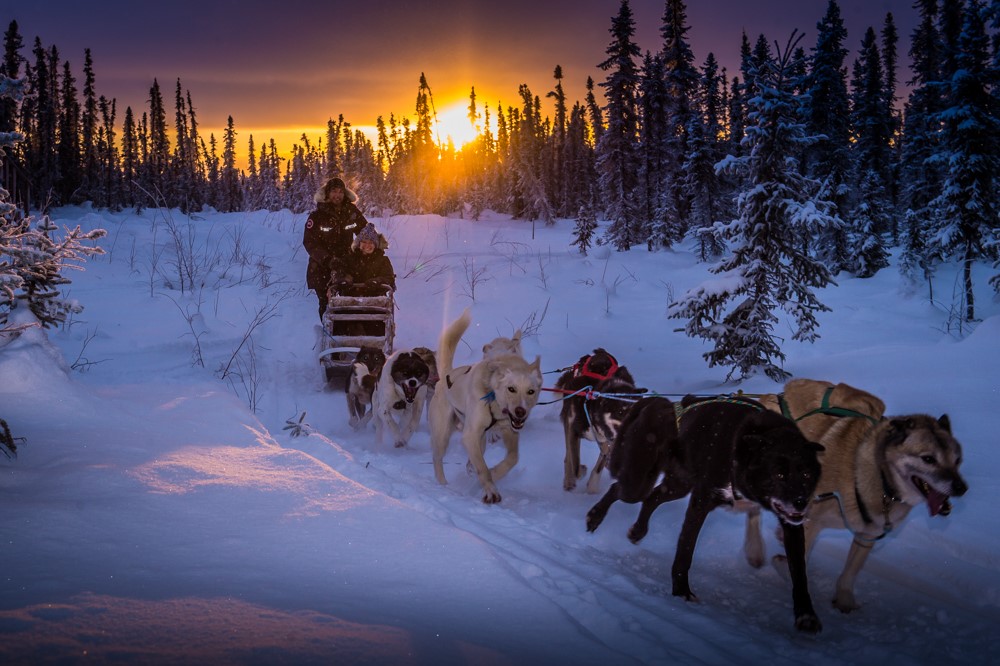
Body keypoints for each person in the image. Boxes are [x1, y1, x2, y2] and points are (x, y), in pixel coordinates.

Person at [302, 177, 368, 319]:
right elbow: (310, 243)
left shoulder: (351, 212)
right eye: (334, 191)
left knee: (349, 299)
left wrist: (375, 247)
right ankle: (329, 335)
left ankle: (349, 334)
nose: (337, 195)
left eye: (340, 192)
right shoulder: (317, 216)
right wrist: (328, 260)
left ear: (344, 194)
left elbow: (365, 232)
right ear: (327, 193)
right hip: (321, 267)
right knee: (326, 303)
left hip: (346, 264)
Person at [335, 223, 396, 297]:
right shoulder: (348, 259)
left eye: (371, 242)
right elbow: (340, 272)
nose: (367, 245)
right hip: (350, 300)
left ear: (375, 245)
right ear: (359, 243)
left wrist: (378, 281)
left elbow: (389, 278)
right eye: (364, 242)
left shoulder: (383, 261)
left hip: (376, 300)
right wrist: (345, 279)